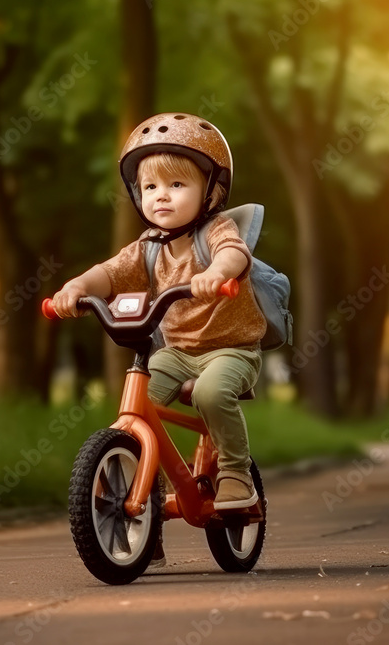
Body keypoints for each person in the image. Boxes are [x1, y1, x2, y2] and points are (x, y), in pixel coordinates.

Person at [51, 112, 268, 511]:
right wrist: (77, 288)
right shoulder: (149, 246)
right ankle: (143, 496)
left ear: (211, 193)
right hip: (177, 353)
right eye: (150, 186)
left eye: (176, 184)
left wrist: (217, 272)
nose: (161, 195)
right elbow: (110, 272)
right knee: (140, 405)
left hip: (230, 350)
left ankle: (235, 472)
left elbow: (233, 253)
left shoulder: (216, 230)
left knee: (211, 392)